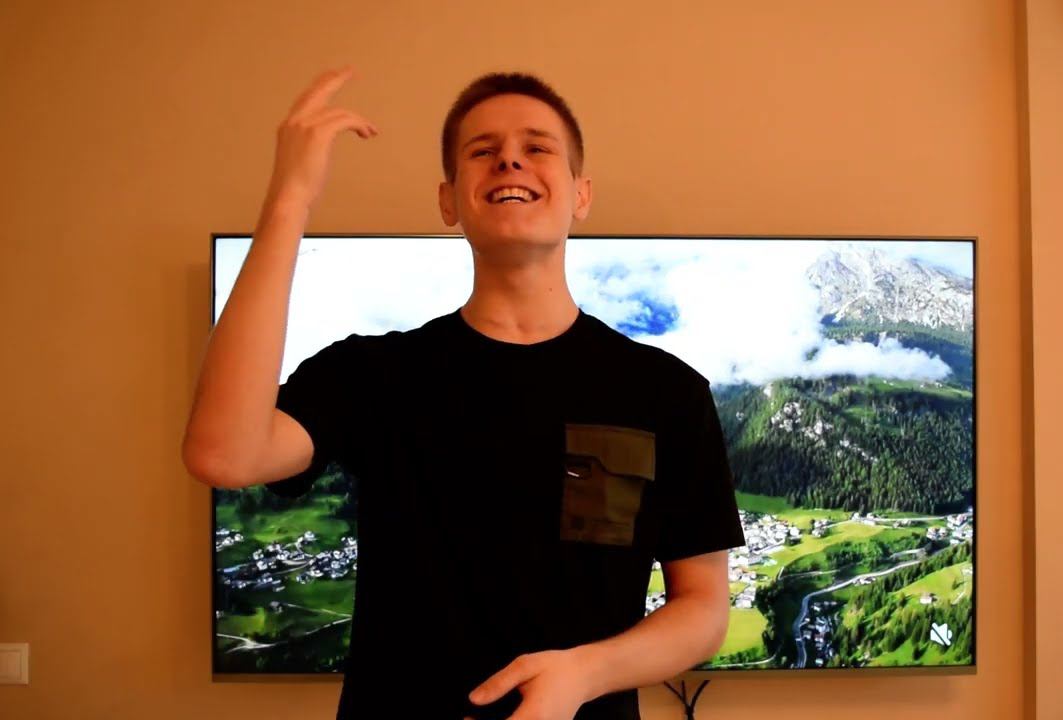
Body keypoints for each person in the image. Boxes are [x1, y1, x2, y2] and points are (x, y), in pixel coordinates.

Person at [183, 66, 745, 720]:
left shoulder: (666, 391)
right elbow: (223, 454)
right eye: (483, 150)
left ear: (581, 194)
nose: (510, 158)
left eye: (537, 147)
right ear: (449, 201)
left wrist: (583, 675)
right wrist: (291, 197)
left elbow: (703, 609)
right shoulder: (371, 374)